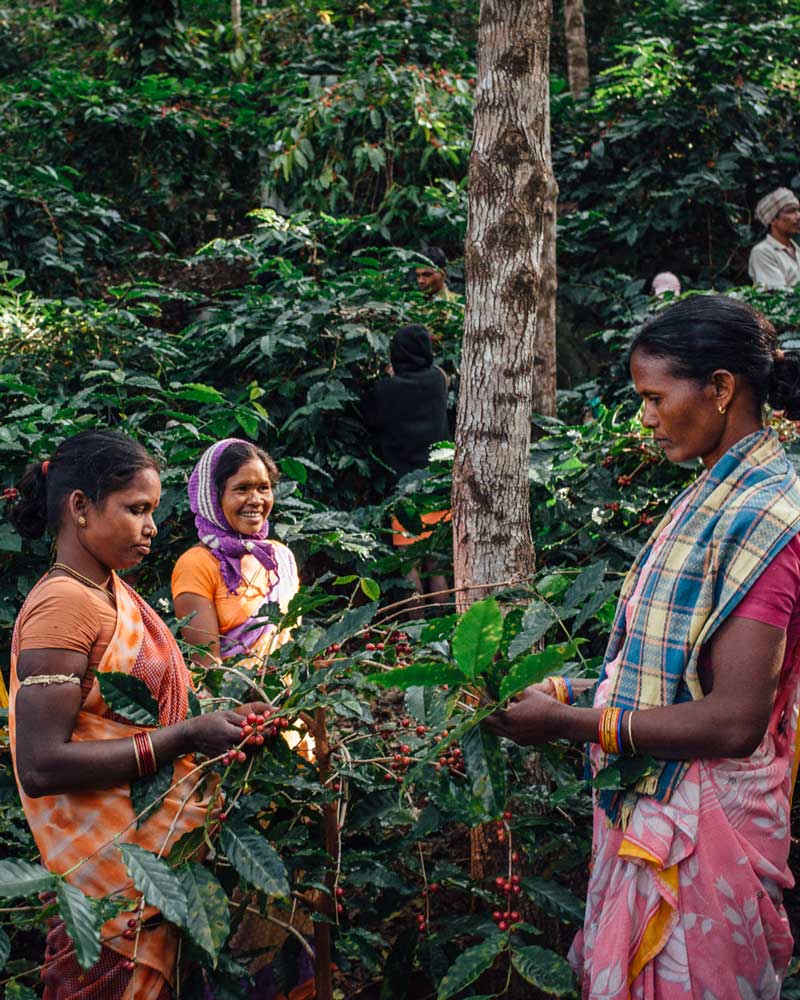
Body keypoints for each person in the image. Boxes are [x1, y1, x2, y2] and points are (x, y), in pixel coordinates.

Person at [487, 295, 800, 998]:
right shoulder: (710, 494)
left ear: (720, 389)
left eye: (656, 398)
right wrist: (566, 690)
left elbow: (732, 719)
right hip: (657, 811)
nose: (646, 417)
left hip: (704, 831)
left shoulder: (765, 513)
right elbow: (663, 663)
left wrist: (571, 725)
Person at [7, 429, 269, 999]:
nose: (151, 526)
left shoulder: (107, 591)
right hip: (114, 877)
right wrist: (184, 737)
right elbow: (40, 763)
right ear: (80, 507)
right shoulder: (64, 604)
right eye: (136, 509)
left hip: (153, 863)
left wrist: (218, 720)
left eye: (152, 510)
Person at [171, 438, 299, 673]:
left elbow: (298, 652)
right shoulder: (196, 564)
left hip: (293, 703)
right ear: (212, 497)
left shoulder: (279, 557)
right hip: (237, 705)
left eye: (263, 488)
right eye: (241, 489)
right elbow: (208, 668)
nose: (256, 500)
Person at [363, 324, 451, 602]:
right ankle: (443, 630)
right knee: (436, 564)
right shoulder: (437, 380)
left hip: (403, 487)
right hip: (437, 482)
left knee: (409, 564)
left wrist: (388, 376)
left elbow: (371, 419)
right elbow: (443, 377)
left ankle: (414, 633)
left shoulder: (385, 390)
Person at [748, 187, 800, 289]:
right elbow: (778, 297)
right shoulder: (763, 252)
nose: (798, 216)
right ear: (772, 220)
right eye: (791, 211)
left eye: (798, 210)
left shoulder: (797, 250)